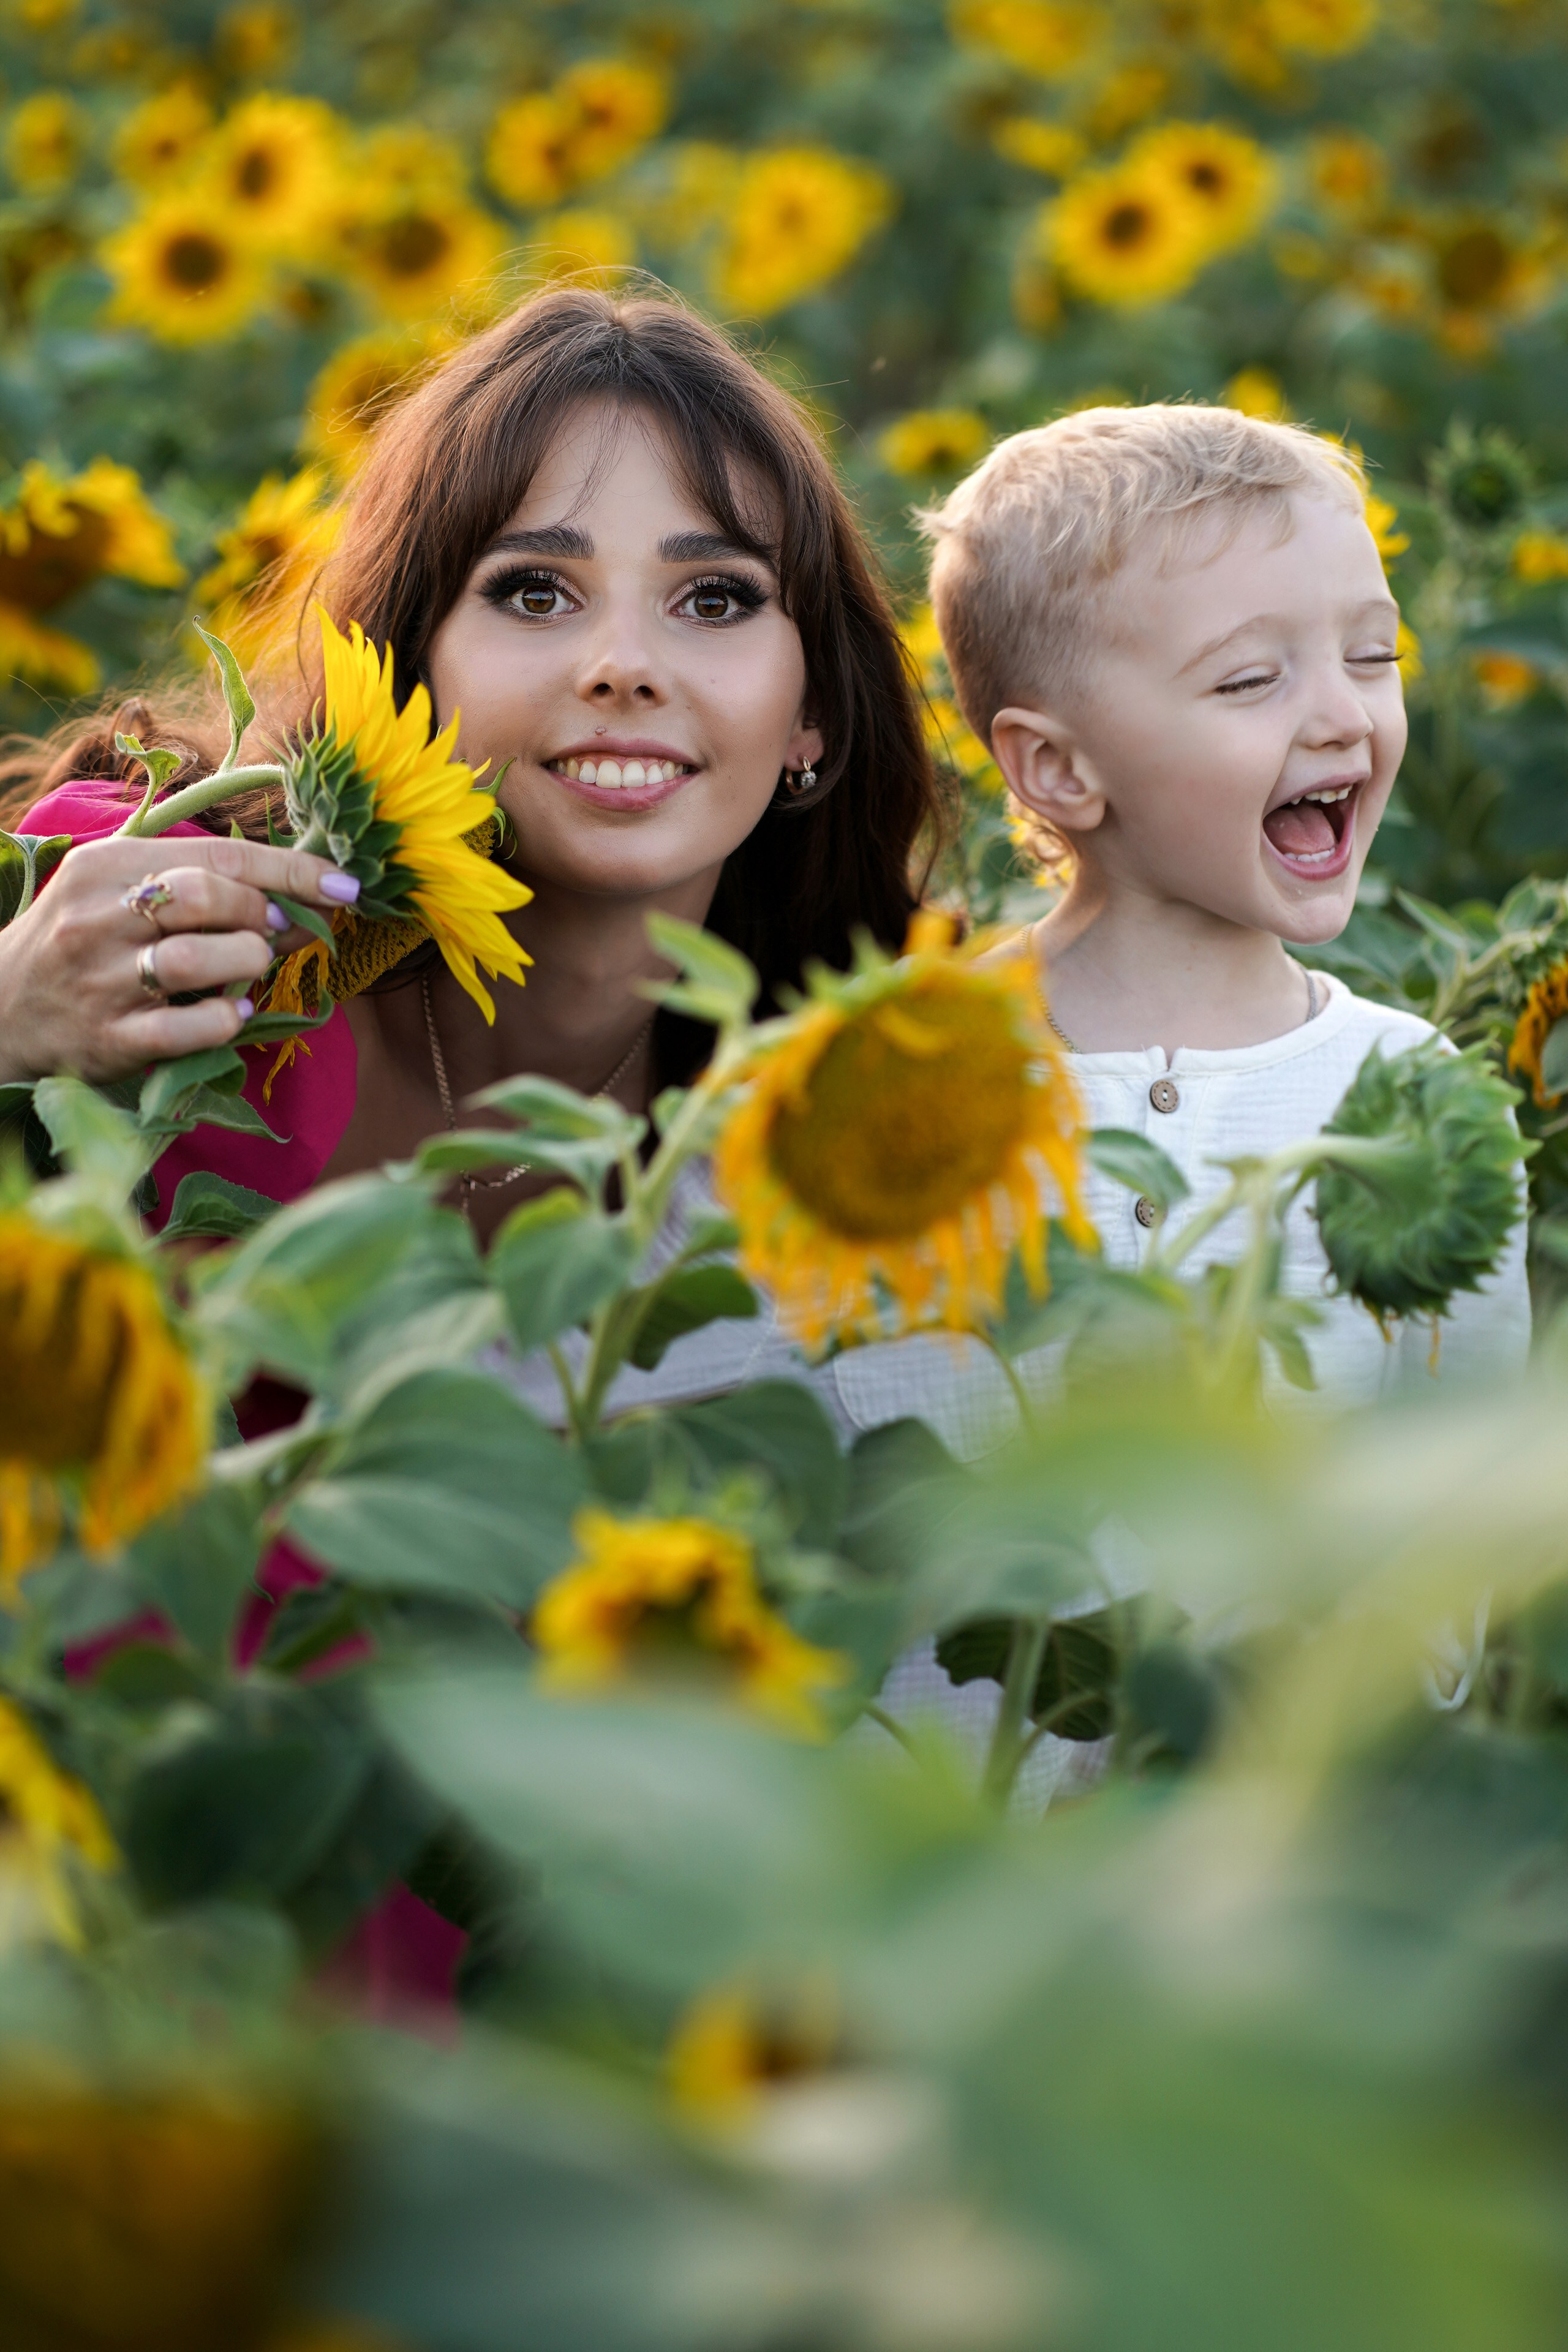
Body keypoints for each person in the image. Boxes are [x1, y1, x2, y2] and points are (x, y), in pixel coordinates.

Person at [0, 282, 944, 1999]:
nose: (624, 661)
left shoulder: (820, 1149)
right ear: (404, 657)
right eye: (532, 590)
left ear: (811, 717)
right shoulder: (153, 925)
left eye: (715, 598)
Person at [823, 402, 1532, 1460]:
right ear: (1058, 768)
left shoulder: (1415, 1099)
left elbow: (1463, 1493)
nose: (1345, 715)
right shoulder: (891, 1074)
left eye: (1373, 656)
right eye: (1251, 679)